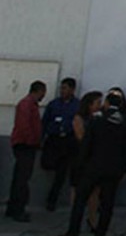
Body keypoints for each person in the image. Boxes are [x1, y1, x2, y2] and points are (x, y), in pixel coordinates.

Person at [58, 91, 126, 236]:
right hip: (114, 168)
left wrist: (81, 163)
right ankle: (100, 234)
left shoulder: (97, 119)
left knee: (80, 199)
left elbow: (87, 144)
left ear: (106, 103)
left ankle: (73, 232)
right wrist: (125, 169)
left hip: (93, 166)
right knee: (107, 203)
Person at [6, 81, 46, 222]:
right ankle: (18, 210)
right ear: (39, 91)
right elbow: (25, 126)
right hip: (25, 145)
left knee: (19, 177)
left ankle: (12, 208)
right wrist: (33, 141)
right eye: (43, 92)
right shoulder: (27, 104)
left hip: (24, 144)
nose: (43, 96)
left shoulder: (28, 104)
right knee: (23, 178)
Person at [41, 77, 79, 212]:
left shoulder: (77, 106)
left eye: (65, 88)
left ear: (72, 89)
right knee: (49, 167)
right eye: (61, 88)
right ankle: (50, 199)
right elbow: (45, 122)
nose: (62, 91)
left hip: (69, 141)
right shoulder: (54, 104)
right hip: (54, 140)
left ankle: (58, 201)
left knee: (64, 173)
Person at [70, 91, 103, 230]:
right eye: (97, 103)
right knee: (76, 189)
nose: (100, 106)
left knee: (95, 190)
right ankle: (75, 220)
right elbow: (81, 137)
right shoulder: (79, 118)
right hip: (80, 157)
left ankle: (93, 219)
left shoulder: (98, 119)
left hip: (94, 158)